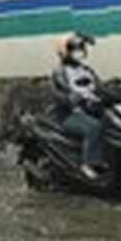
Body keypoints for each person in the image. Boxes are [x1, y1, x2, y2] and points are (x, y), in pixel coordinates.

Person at [51, 33, 106, 180]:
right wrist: (74, 100)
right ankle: (87, 164)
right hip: (68, 115)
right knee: (93, 127)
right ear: (65, 52)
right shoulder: (60, 73)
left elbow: (100, 87)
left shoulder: (86, 70)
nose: (80, 52)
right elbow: (60, 96)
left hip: (89, 110)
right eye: (75, 48)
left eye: (81, 48)